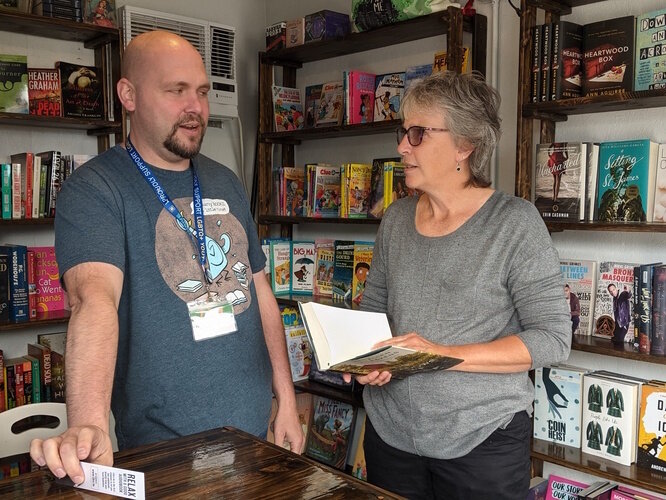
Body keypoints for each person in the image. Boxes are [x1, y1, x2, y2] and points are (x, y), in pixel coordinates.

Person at [30, 31, 304, 484]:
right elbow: (93, 300)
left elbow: (259, 291)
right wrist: (90, 422)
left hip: (254, 434)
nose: (194, 107)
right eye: (176, 91)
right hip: (165, 450)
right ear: (129, 95)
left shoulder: (226, 180)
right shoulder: (95, 189)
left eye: (200, 91)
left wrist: (287, 401)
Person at [342, 71, 571, 500]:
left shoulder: (514, 223)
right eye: (402, 131)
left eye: (417, 133)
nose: (401, 146)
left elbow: (553, 339)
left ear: (464, 146)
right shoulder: (395, 220)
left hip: (482, 441)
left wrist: (442, 356)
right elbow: (374, 313)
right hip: (391, 436)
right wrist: (367, 356)